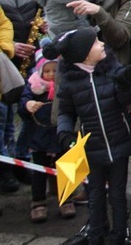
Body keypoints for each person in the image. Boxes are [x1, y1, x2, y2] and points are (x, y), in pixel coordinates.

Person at [50, 27, 131, 245]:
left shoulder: (111, 67)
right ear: (83, 53)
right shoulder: (70, 82)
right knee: (95, 193)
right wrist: (64, 132)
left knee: (118, 195)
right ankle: (95, 234)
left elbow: (126, 100)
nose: (102, 44)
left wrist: (126, 85)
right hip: (92, 147)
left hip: (119, 142)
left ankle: (120, 234)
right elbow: (66, 111)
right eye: (95, 42)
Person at [0, 0, 44, 190]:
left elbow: (36, 14)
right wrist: (9, 46)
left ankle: (22, 161)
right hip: (4, 60)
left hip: (28, 58)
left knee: (26, 113)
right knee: (3, 117)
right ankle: (4, 167)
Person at [18, 52, 77, 222]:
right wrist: (28, 105)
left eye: (55, 71)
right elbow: (22, 107)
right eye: (47, 71)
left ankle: (66, 199)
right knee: (39, 172)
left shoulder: (64, 87)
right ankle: (38, 202)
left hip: (60, 137)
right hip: (39, 138)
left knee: (65, 170)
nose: (51, 75)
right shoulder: (33, 87)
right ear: (40, 72)